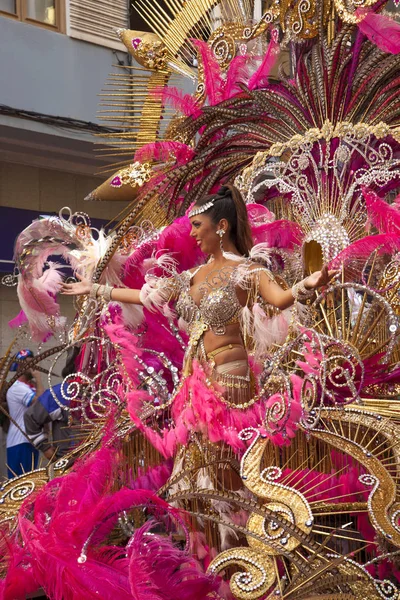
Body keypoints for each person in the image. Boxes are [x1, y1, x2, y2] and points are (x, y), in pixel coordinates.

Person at [61, 185, 337, 454]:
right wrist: (95, 289)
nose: (191, 233)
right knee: (198, 459)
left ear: (221, 226)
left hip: (231, 374)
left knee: (225, 456)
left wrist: (308, 284)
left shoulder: (248, 270)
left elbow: (280, 299)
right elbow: (146, 296)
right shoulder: (190, 276)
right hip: (195, 378)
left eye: (196, 224)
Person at [24, 347, 79, 461]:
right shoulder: (63, 393)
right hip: (68, 463)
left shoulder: (107, 390)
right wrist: (45, 447)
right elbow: (31, 416)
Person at [6, 349, 44, 478]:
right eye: (31, 362)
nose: (34, 364)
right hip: (19, 441)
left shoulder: (29, 386)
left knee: (30, 483)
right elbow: (40, 403)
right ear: (21, 365)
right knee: (19, 483)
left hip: (30, 440)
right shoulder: (17, 387)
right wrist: (39, 378)